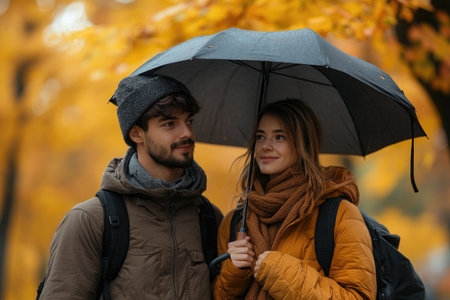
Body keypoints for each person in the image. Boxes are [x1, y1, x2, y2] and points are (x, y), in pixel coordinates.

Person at [39, 74, 223, 300]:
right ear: (136, 133)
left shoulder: (209, 218)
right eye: (169, 124)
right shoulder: (91, 220)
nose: (186, 133)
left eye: (189, 121)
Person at [213, 99, 376, 299]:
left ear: (303, 145)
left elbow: (358, 296)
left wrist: (281, 272)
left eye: (279, 137)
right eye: (260, 136)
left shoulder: (339, 214)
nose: (266, 146)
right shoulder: (235, 222)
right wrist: (235, 272)